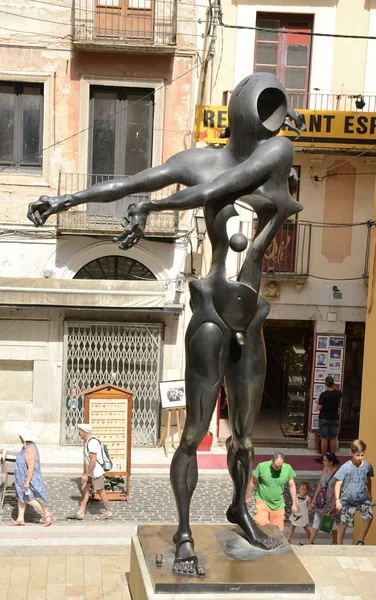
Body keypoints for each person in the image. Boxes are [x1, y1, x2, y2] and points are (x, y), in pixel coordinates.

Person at [27, 73, 305, 573]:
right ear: (244, 107)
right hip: (212, 313)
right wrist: (64, 201)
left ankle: (239, 507)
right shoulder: (198, 160)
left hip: (253, 315)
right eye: (266, 105)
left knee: (244, 435)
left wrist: (156, 205)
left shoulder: (277, 153)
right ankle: (182, 532)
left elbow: (221, 188)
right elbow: (133, 181)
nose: (273, 117)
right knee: (193, 433)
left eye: (277, 106)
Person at [334, 439, 374, 546]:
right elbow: (338, 483)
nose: (360, 458)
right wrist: (337, 499)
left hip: (362, 497)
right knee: (345, 522)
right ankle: (339, 543)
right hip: (348, 498)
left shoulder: (367, 466)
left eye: (362, 455)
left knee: (369, 516)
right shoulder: (345, 467)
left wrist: (370, 493)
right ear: (351, 453)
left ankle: (360, 540)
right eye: (357, 455)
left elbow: (369, 480)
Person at [69, 424, 112, 520]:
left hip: (96, 472)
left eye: (79, 431)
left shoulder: (92, 442)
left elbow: (93, 460)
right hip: (92, 472)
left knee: (100, 491)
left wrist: (86, 474)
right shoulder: (89, 441)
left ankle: (108, 511)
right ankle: (81, 512)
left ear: (84, 432)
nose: (78, 433)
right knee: (84, 488)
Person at [246, 452, 297, 532]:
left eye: (280, 467)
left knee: (277, 530)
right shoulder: (261, 466)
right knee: (261, 522)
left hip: (278, 503)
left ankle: (272, 542)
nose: (277, 469)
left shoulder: (288, 468)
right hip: (262, 500)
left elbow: (292, 485)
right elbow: (253, 482)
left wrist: (294, 503)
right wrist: (248, 496)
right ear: (272, 460)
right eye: (276, 466)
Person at [11, 429, 53, 527]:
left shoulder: (30, 449)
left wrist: (27, 482)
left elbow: (31, 467)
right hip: (21, 479)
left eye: (21, 437)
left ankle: (47, 514)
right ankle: (20, 518)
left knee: (29, 499)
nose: (20, 439)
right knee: (21, 498)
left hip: (27, 479)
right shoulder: (26, 447)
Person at [309, 452, 340, 545]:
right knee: (317, 518)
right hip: (322, 500)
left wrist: (336, 503)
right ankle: (311, 541)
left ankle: (335, 540)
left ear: (331, 462)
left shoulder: (338, 473)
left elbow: (340, 489)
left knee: (330, 521)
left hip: (331, 501)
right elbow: (320, 484)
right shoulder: (325, 470)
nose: (323, 462)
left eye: (325, 460)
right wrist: (314, 498)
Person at [315, 376, 342, 463]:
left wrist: (317, 402)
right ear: (333, 383)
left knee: (324, 438)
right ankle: (333, 457)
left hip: (324, 418)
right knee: (333, 438)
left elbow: (319, 408)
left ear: (325, 384)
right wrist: (332, 385)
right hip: (334, 418)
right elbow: (337, 390)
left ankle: (323, 458)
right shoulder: (338, 393)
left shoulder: (323, 395)